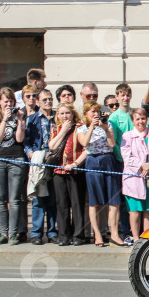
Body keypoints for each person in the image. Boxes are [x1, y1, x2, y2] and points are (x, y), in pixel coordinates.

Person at [77, 100, 124, 247]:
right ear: (86, 114)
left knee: (114, 201)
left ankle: (114, 234)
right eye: (93, 112)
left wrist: (104, 128)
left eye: (98, 111)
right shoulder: (81, 128)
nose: (96, 114)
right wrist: (91, 126)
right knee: (94, 201)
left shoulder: (107, 124)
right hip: (93, 161)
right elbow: (84, 143)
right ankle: (97, 234)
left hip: (108, 160)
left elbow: (111, 144)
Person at [0, 88, 27, 245]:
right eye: (6, 101)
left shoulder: (17, 116)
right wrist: (4, 119)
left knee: (15, 199)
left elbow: (19, 138)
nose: (9, 104)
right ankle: (3, 233)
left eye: (11, 101)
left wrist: (20, 121)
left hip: (16, 159)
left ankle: (13, 234)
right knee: (1, 198)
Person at [121, 108, 149, 242]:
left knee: (148, 209)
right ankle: (135, 238)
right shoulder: (127, 136)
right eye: (137, 119)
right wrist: (141, 165)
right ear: (133, 121)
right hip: (133, 178)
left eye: (143, 118)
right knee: (134, 210)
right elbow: (127, 157)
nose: (141, 122)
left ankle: (147, 238)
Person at [49, 102, 88, 246]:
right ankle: (64, 235)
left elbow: (86, 148)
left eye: (67, 113)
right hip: (59, 171)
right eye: (62, 113)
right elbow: (52, 146)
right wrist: (63, 131)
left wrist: (76, 163)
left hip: (75, 170)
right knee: (62, 204)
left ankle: (78, 235)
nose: (65, 116)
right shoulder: (56, 129)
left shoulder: (80, 127)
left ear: (73, 114)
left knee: (77, 204)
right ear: (57, 115)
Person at [24, 89, 58, 244]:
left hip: (54, 160)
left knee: (52, 198)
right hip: (38, 159)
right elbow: (27, 142)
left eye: (50, 99)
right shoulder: (31, 119)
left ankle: (52, 232)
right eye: (44, 100)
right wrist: (31, 154)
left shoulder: (58, 117)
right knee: (38, 198)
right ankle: (36, 233)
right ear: (38, 102)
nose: (48, 102)